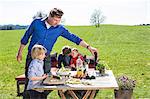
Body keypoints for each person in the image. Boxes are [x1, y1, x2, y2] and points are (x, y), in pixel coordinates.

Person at [16, 8, 98, 98]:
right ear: (49, 16)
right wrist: (20, 53)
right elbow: (25, 37)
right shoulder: (36, 23)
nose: (57, 22)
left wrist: (89, 47)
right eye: (55, 20)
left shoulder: (59, 28)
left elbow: (73, 38)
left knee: (46, 82)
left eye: (59, 20)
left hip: (45, 58)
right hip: (33, 57)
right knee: (30, 83)